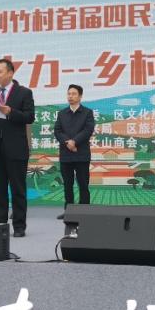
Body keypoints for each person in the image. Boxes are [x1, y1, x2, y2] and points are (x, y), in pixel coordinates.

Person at [0, 58, 35, 236]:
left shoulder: (24, 92)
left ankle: (19, 226)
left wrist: (11, 111)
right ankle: (1, 224)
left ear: (10, 73)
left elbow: (29, 117)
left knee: (18, 189)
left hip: (16, 148)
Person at [54, 84, 95, 219]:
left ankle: (84, 211)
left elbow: (88, 130)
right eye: (69, 94)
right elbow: (57, 131)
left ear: (80, 96)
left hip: (81, 154)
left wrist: (75, 142)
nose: (70, 96)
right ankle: (69, 211)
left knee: (83, 184)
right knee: (67, 184)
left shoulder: (87, 112)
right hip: (66, 154)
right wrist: (68, 142)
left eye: (74, 94)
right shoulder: (62, 113)